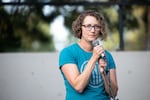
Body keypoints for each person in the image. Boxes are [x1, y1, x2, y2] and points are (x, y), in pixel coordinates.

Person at [59, 10, 118, 100]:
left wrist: (103, 74)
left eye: (96, 26)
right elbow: (79, 87)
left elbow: (113, 93)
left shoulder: (107, 56)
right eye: (88, 26)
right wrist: (94, 58)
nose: (93, 30)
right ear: (80, 28)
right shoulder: (68, 53)